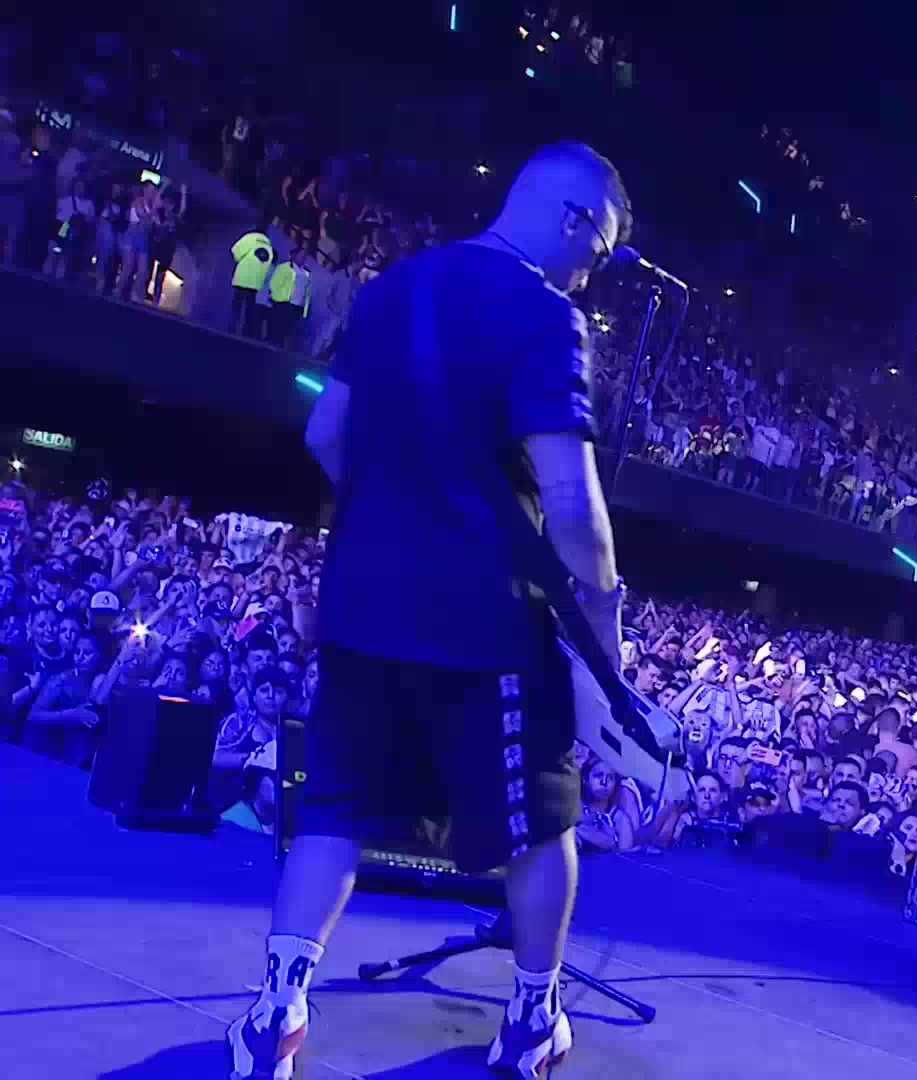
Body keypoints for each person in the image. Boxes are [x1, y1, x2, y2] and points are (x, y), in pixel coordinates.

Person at [225, 141, 632, 1080]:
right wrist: (604, 619)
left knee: (332, 810)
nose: (593, 271)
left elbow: (326, 431)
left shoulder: (391, 289)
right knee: (540, 821)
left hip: (361, 605)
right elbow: (572, 505)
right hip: (486, 623)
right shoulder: (546, 313)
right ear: (571, 219)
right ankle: (532, 1021)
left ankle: (276, 1012)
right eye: (599, 249)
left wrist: (389, 519)